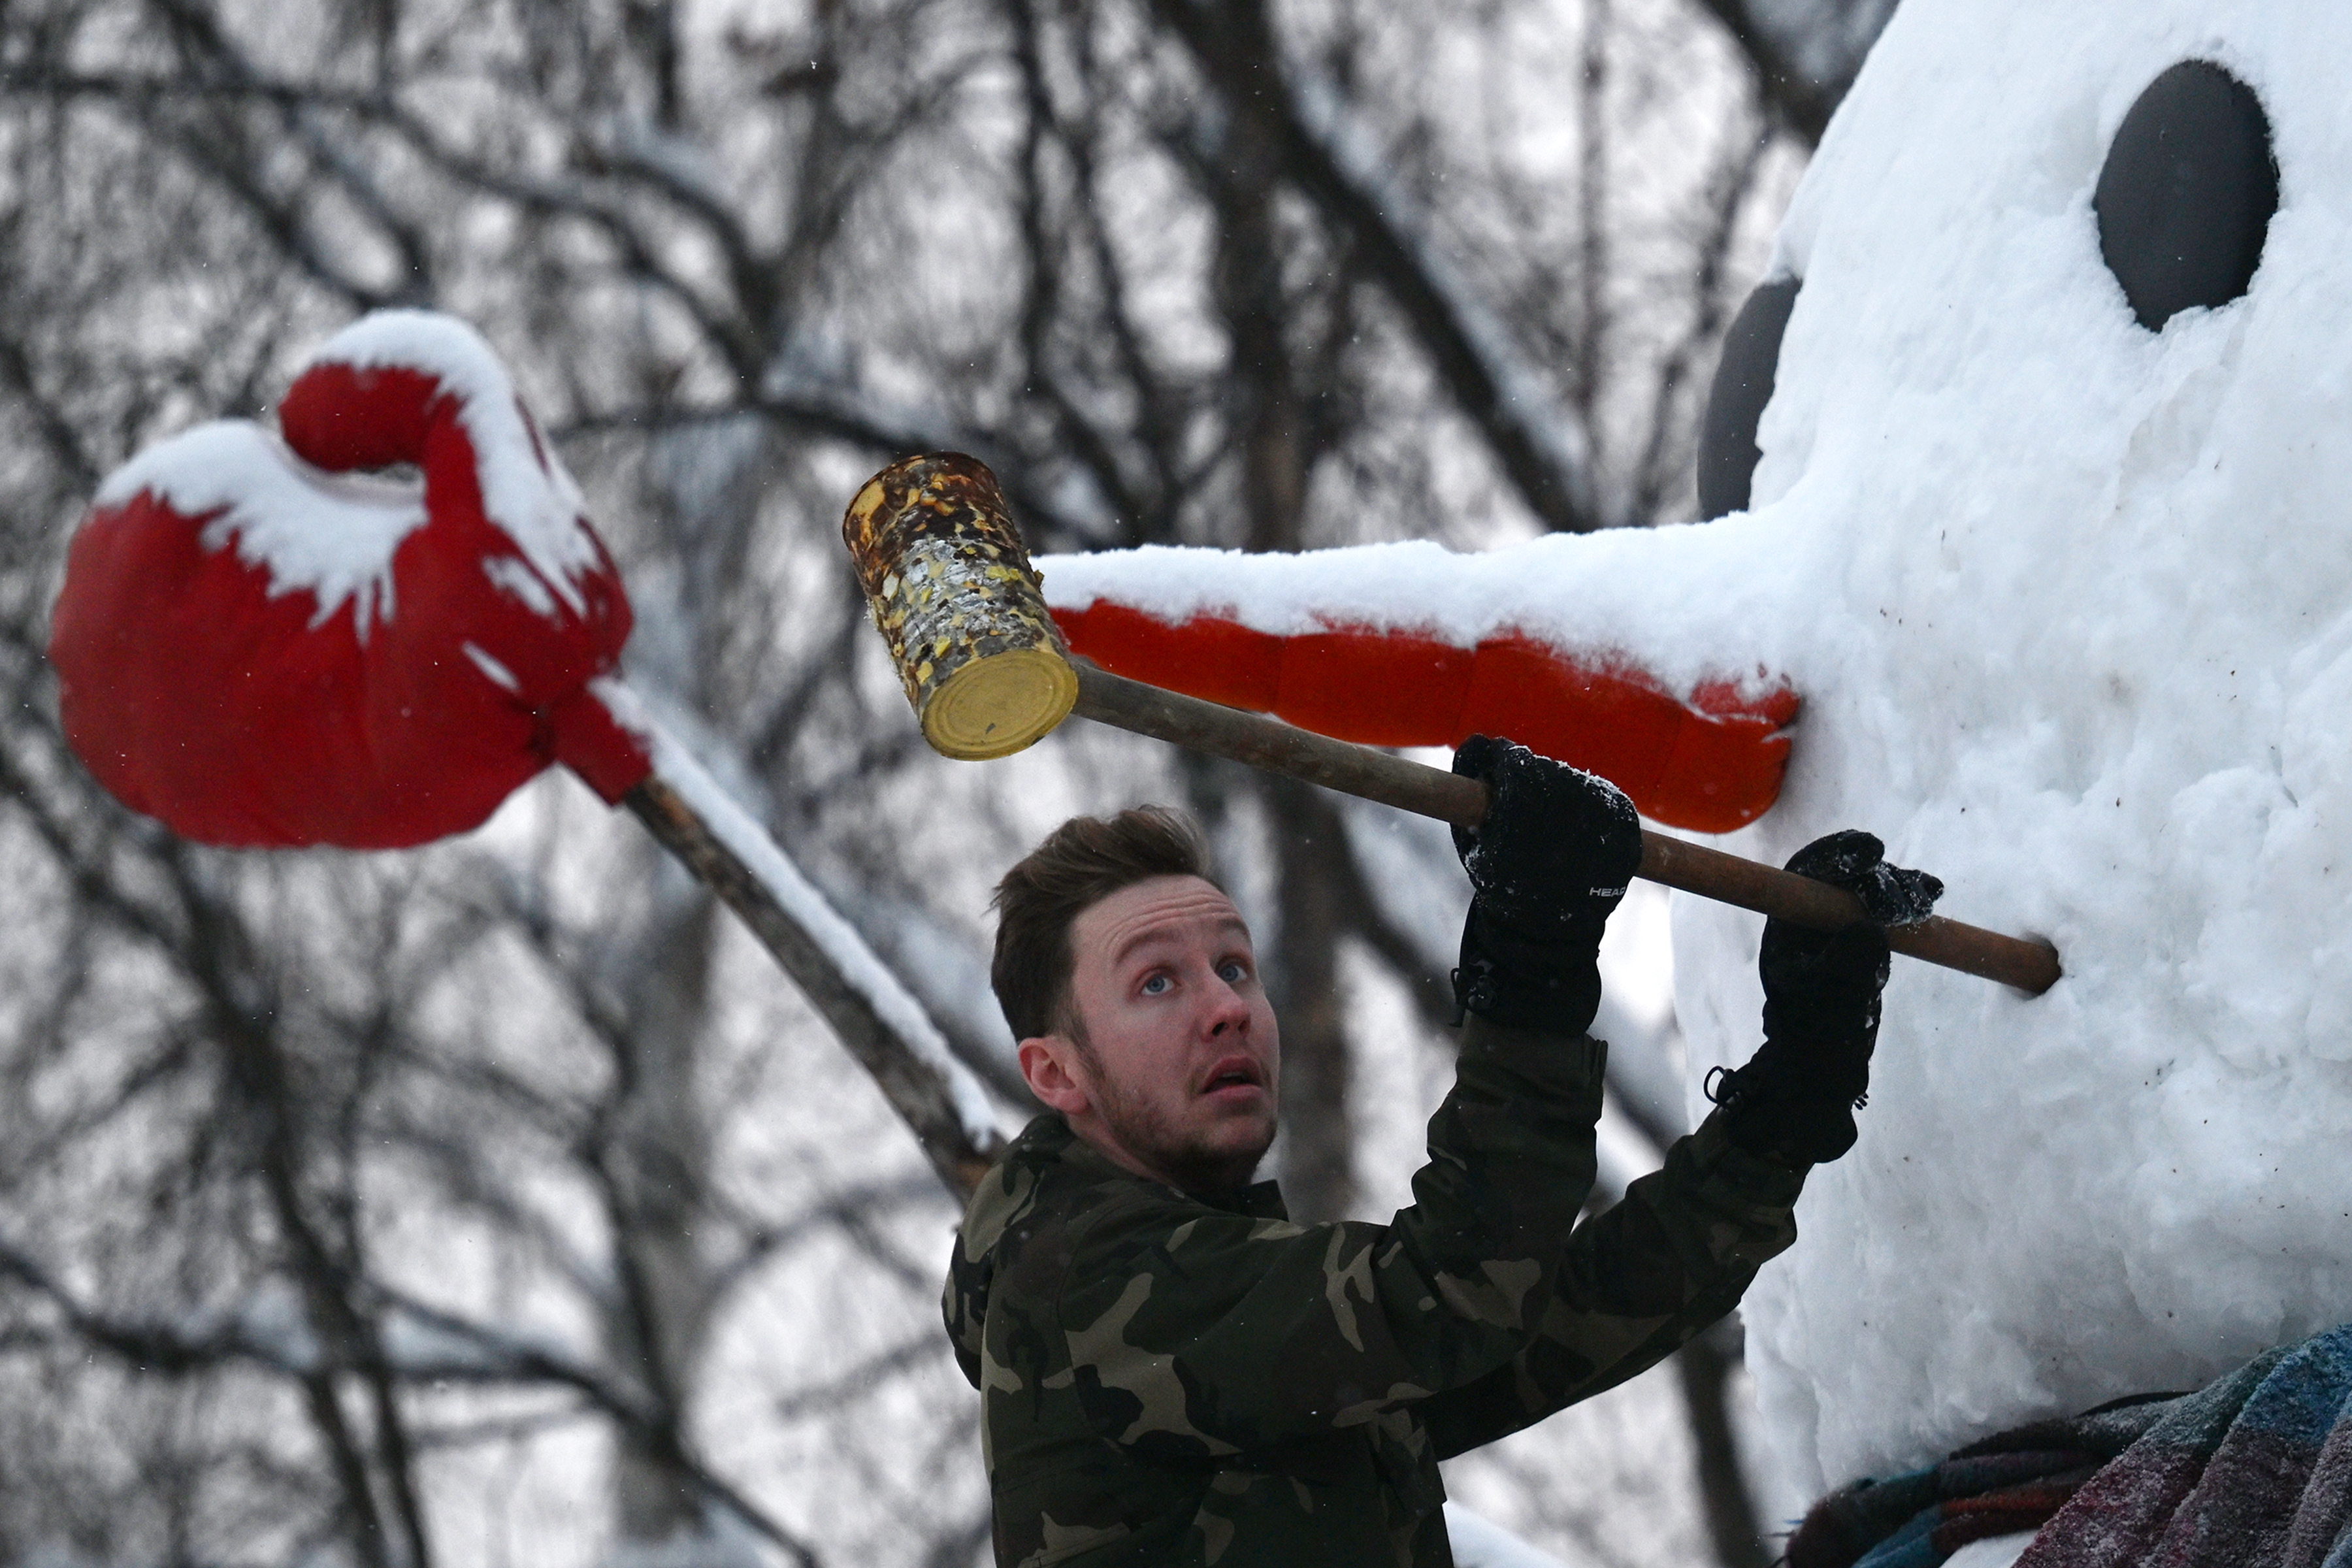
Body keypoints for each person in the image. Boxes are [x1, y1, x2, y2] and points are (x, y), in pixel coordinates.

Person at [943, 736, 1941, 1567]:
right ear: (1055, 1075)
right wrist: (1531, 967)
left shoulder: (1212, 1318)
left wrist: (1792, 1092)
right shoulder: (1085, 1284)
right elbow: (1458, 1287)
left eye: (1234, 965)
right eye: (1156, 983)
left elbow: (1549, 1320)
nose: (1225, 1010)